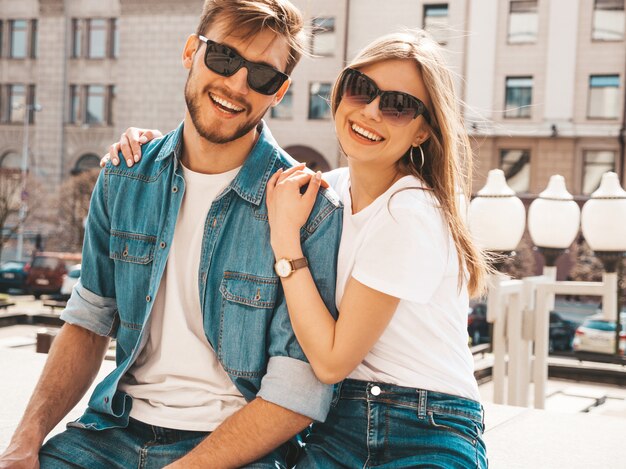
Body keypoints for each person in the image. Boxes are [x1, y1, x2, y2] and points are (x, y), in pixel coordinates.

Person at [101, 30, 490, 468]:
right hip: (338, 425)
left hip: (425, 425)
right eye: (361, 90)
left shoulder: (409, 211)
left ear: (422, 131)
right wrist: (150, 149)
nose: (371, 112)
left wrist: (286, 242)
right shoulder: (332, 191)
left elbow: (329, 362)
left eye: (398, 106)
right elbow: (231, 156)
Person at [0, 1, 342, 468]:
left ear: (278, 92)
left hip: (235, 450)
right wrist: (24, 441)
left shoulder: (310, 209)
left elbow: (296, 392)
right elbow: (88, 320)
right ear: (190, 52)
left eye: (262, 76)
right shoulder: (124, 176)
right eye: (224, 58)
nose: (237, 84)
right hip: (111, 434)